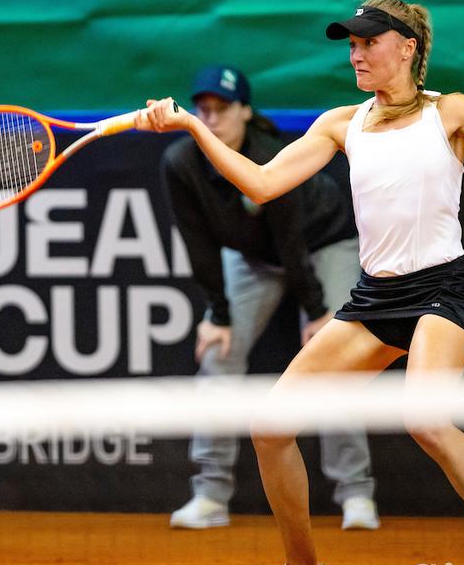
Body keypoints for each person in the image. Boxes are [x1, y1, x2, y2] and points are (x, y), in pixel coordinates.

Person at [139, 0, 464, 565]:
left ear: (409, 47)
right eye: (352, 44)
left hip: (441, 291)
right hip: (375, 298)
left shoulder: (451, 112)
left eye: (369, 42)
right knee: (270, 426)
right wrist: (194, 128)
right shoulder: (342, 124)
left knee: (425, 418)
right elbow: (261, 183)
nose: (356, 53)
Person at [162, 65, 380, 531]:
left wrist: (320, 312)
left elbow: (292, 242)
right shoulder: (181, 163)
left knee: (336, 363)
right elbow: (199, 244)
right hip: (253, 258)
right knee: (219, 355)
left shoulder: (267, 155)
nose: (212, 117)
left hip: (322, 244)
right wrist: (217, 315)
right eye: (204, 109)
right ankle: (210, 495)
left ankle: (356, 494)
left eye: (222, 108)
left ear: (245, 111)